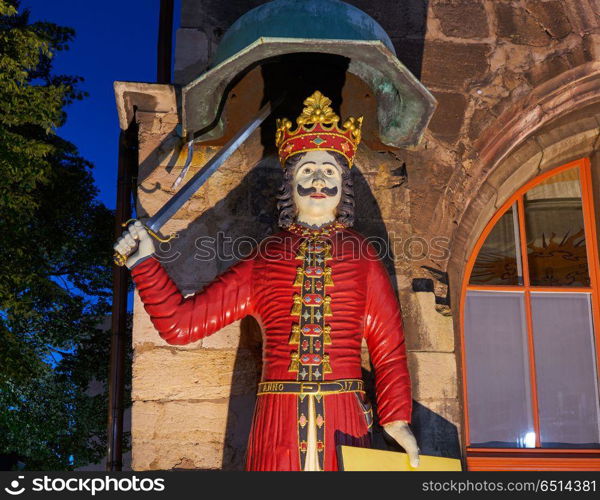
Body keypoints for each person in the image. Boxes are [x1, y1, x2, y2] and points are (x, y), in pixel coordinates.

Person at [114, 91, 419, 471]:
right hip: (278, 420)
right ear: (290, 185)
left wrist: (396, 418)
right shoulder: (265, 256)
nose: (318, 180)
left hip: (347, 417)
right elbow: (180, 324)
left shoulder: (361, 255)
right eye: (307, 170)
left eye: (329, 170)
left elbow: (388, 347)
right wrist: (144, 262)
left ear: (344, 184)